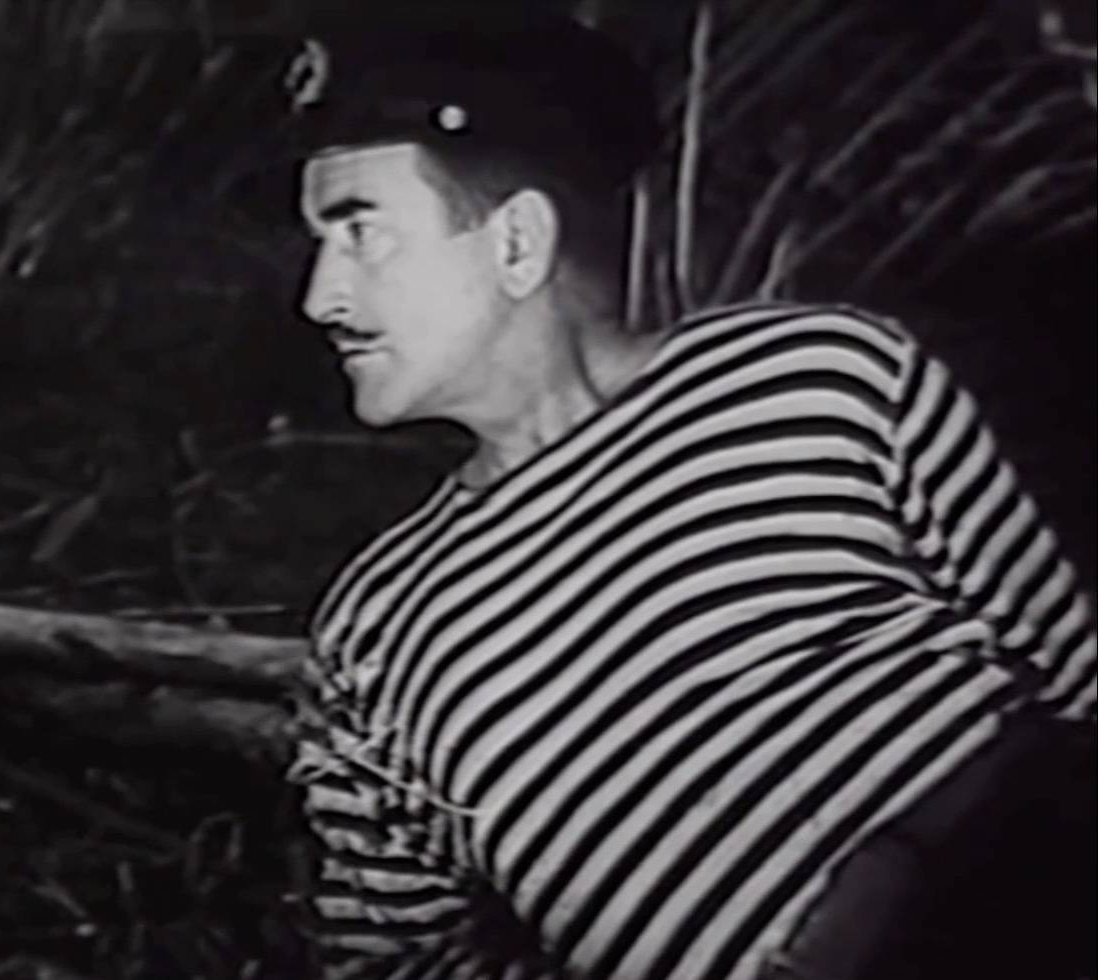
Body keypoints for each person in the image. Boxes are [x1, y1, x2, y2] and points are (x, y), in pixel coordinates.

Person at [276, 14, 1096, 980]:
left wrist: (895, 873)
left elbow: (1077, 685)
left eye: (361, 233)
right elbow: (390, 965)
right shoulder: (373, 629)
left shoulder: (816, 377)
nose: (320, 297)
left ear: (517, 243)